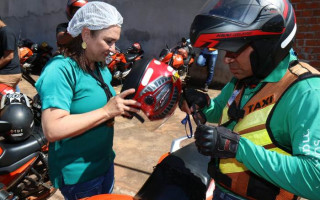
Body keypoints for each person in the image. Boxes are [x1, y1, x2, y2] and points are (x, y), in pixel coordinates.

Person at [180, 0, 320, 199]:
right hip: (223, 188)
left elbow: (315, 180)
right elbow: (221, 110)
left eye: (234, 50)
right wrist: (204, 104)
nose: (227, 59)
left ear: (266, 47)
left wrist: (237, 148)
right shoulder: (246, 76)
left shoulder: (307, 93)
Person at [35, 2, 141, 200]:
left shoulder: (98, 66)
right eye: (108, 41)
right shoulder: (60, 70)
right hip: (80, 177)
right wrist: (106, 111)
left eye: (115, 42)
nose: (113, 49)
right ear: (85, 35)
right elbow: (52, 129)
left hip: (104, 163)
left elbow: (100, 104)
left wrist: (119, 108)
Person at [0, 17, 21, 89]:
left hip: (7, 74)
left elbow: (9, 56)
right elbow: (18, 51)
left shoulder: (6, 32)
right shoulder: (3, 31)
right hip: (9, 72)